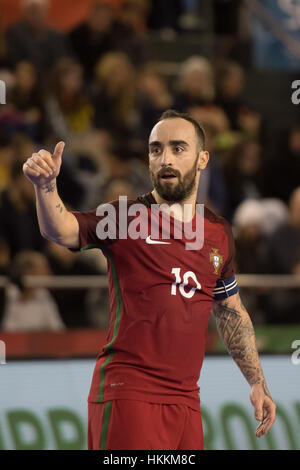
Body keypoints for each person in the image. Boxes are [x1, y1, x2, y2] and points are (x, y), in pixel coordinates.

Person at [23, 109, 276, 450]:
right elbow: (62, 230)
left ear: (202, 159)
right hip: (128, 393)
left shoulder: (218, 232)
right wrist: (46, 187)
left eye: (177, 148)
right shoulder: (126, 217)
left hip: (187, 401)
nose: (165, 158)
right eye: (156, 149)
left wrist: (257, 381)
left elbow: (230, 311)